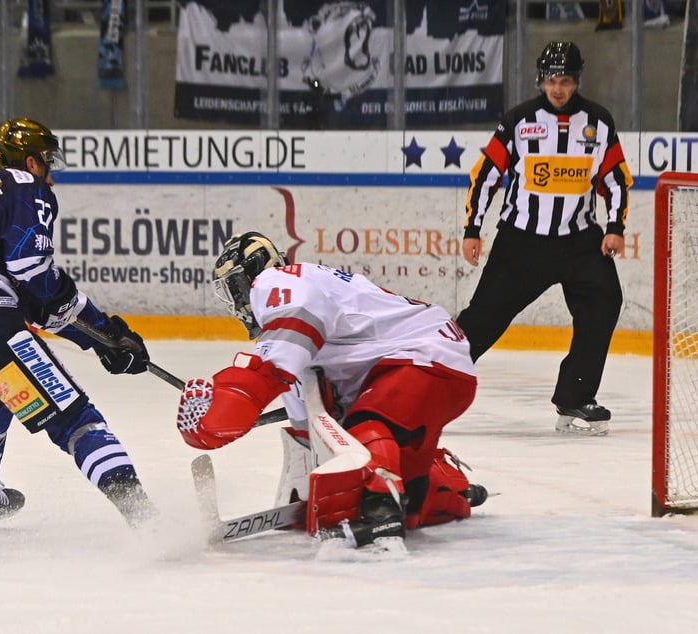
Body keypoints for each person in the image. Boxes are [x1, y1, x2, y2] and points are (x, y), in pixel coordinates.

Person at [0, 118, 155, 526]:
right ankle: (147, 520)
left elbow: (39, 305)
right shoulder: (23, 184)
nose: (50, 175)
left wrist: (101, 338)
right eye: (47, 162)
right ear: (30, 161)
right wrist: (106, 333)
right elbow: (34, 271)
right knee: (75, 420)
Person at [174, 232, 487, 552]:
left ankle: (381, 517)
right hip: (433, 362)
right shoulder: (296, 324)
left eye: (237, 286)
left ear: (257, 269)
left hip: (423, 357)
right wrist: (306, 498)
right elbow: (309, 425)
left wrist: (233, 398)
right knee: (411, 498)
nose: (239, 300)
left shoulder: (278, 280)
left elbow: (280, 352)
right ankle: (453, 491)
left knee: (366, 429)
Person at [455, 41, 633, 436]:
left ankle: (576, 396)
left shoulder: (598, 123)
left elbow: (615, 178)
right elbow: (486, 175)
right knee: (483, 320)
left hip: (580, 241)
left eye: (566, 80)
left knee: (604, 299)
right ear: (541, 80)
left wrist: (614, 227)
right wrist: (473, 228)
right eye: (552, 80)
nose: (558, 88)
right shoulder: (519, 120)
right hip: (522, 242)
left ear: (576, 81)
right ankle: (424, 381)